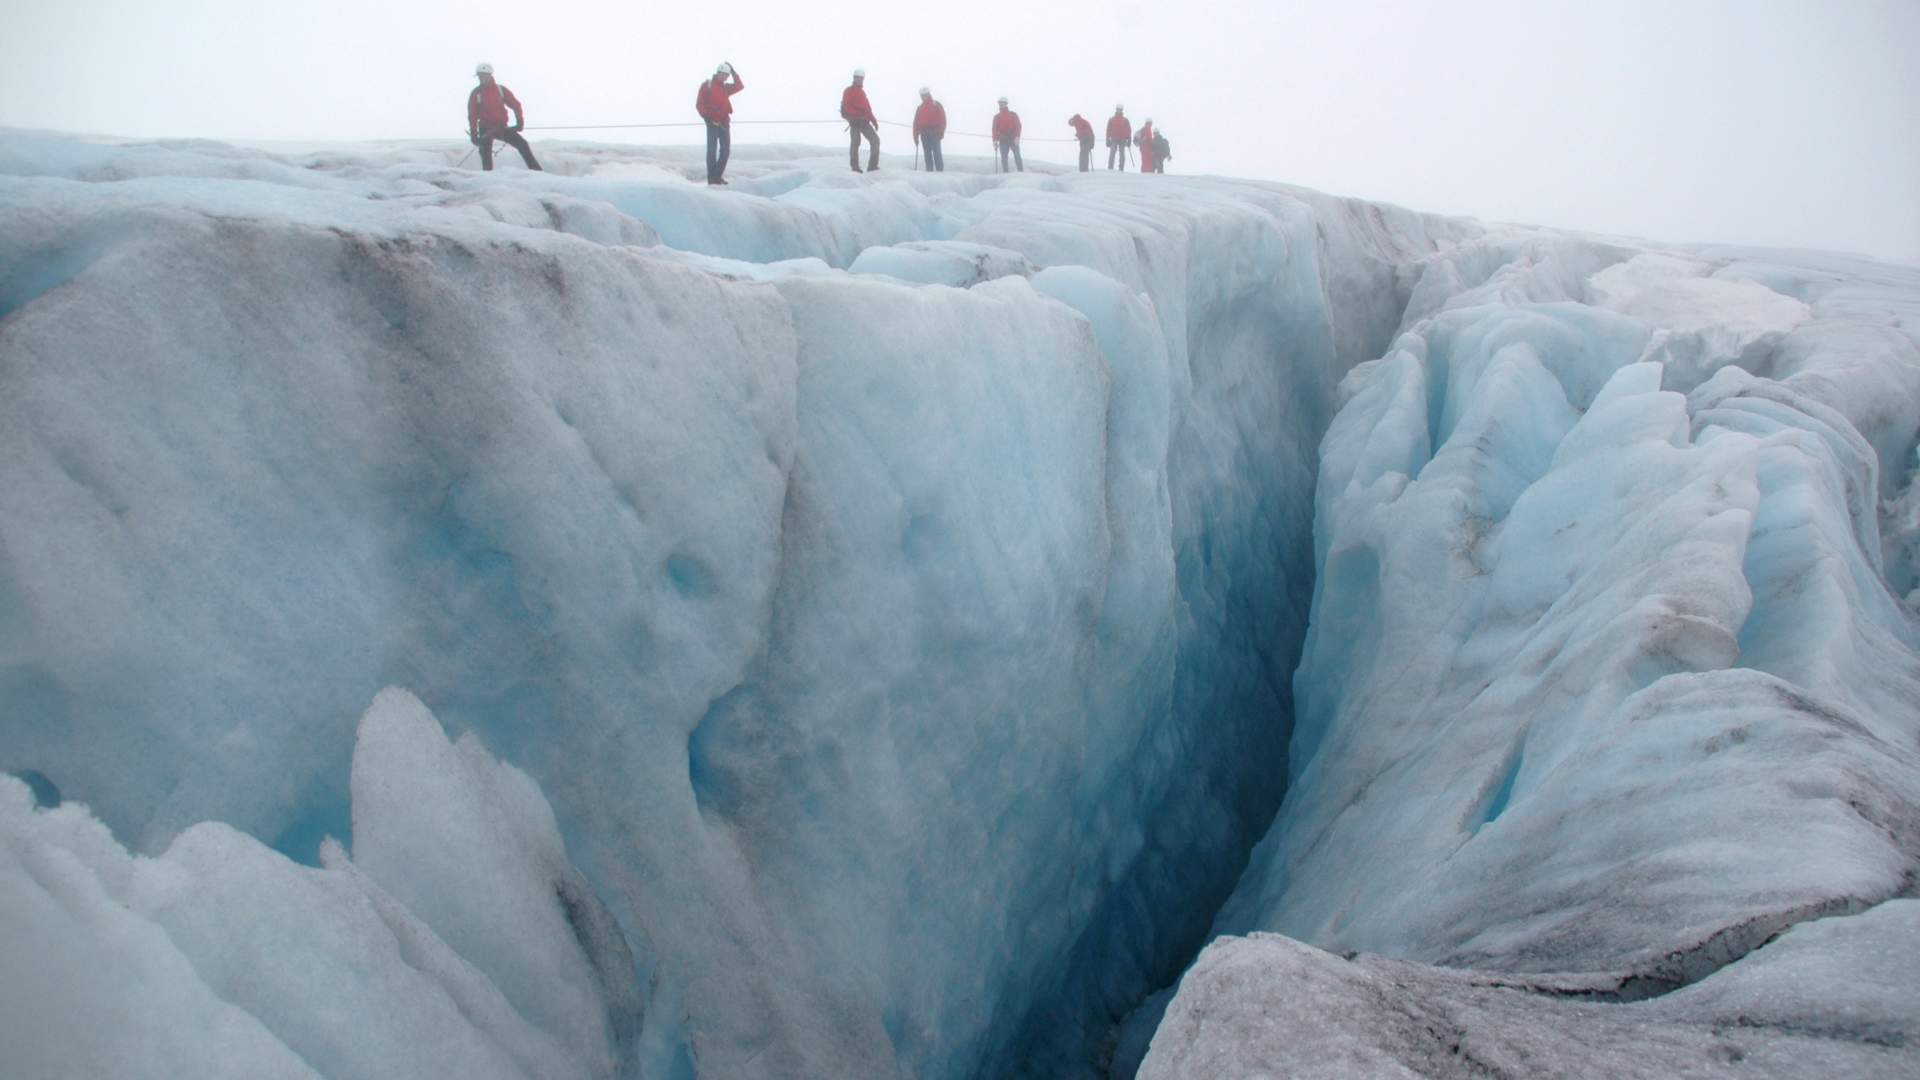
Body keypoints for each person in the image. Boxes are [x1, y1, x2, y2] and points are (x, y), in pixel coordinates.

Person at [467, 63, 542, 171]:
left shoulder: (500, 90)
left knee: (522, 145)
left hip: (501, 127)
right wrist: (473, 132)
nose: (481, 78)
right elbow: (472, 114)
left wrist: (520, 121)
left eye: (483, 76)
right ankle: (488, 178)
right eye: (479, 76)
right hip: (485, 128)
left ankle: (537, 172)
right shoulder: (476, 93)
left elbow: (516, 105)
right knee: (485, 153)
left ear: (489, 75)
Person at [695, 62, 744, 185]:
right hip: (712, 122)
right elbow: (699, 104)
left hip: (724, 122)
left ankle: (716, 177)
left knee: (725, 151)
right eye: (724, 74)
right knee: (711, 151)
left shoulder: (725, 88)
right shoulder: (707, 86)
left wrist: (733, 72)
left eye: (727, 75)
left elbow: (739, 86)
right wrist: (707, 116)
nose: (725, 77)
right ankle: (712, 179)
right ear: (718, 73)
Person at [842, 69, 880, 173]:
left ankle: (872, 166)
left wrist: (874, 121)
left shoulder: (862, 93)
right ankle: (855, 166)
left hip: (864, 121)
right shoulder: (848, 91)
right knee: (855, 143)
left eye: (861, 79)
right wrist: (856, 116)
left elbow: (868, 109)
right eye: (858, 78)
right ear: (854, 78)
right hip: (855, 121)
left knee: (875, 140)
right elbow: (847, 105)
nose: (860, 80)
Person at [914, 87, 947, 172]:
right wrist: (915, 136)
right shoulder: (920, 108)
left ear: (928, 94)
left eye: (925, 95)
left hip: (935, 132)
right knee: (927, 154)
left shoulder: (936, 105)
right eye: (922, 95)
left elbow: (943, 119)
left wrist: (941, 131)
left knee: (937, 153)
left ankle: (940, 171)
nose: (923, 97)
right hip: (924, 133)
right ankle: (929, 172)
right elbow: (916, 123)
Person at [992, 97, 1023, 173]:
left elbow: (1018, 126)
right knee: (1004, 157)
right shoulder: (997, 117)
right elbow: (994, 129)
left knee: (1017, 155)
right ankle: (1005, 173)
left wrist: (1017, 136)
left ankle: (1021, 171)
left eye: (1002, 103)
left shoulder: (1013, 115)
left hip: (1012, 138)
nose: (1001, 105)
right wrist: (995, 140)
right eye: (1000, 103)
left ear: (1006, 104)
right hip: (1003, 139)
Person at [1106, 106, 1132, 170]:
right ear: (1116, 110)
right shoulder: (1111, 119)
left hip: (1123, 139)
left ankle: (1121, 168)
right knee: (1112, 153)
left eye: (1120, 110)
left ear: (1122, 110)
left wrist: (1129, 139)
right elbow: (1108, 130)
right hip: (1114, 139)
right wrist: (1107, 139)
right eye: (1118, 109)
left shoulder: (1125, 120)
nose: (1119, 111)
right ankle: (1110, 167)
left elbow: (1128, 130)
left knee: (1122, 154)